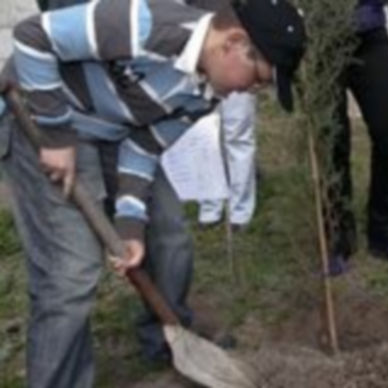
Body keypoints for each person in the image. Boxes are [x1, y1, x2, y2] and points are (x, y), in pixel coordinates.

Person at [0, 1, 305, 387]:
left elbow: (143, 148)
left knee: (169, 236)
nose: (252, 91)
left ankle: (167, 338)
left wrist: (130, 227)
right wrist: (57, 135)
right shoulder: (145, 25)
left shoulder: (207, 90)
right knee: (71, 274)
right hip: (40, 116)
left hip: (110, 132)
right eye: (258, 79)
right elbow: (32, 35)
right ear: (233, 42)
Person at [326, 0, 388, 274]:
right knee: (331, 139)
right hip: (318, 37)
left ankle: (384, 233)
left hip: (369, 32)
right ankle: (336, 236)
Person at [198, 91, 258, 230]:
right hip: (199, 73)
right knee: (204, 134)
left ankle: (240, 212)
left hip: (240, 73)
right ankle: (210, 207)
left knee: (238, 138)